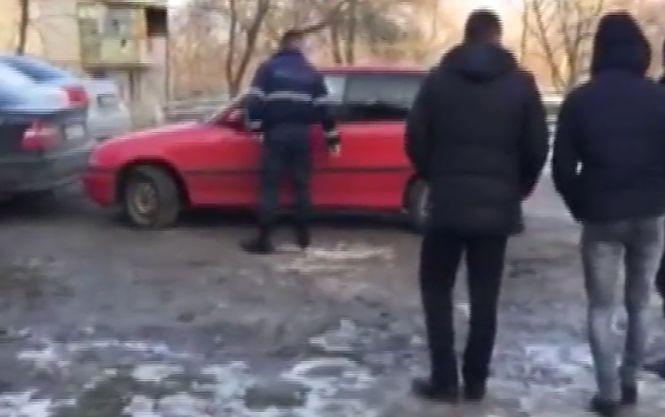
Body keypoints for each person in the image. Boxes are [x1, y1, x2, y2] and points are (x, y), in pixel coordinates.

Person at [406, 10, 548, 403]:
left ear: (466, 36)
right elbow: (537, 147)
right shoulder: (521, 84)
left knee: (436, 289)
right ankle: (476, 381)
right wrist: (516, 188)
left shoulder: (438, 81)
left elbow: (414, 137)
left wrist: (435, 176)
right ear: (497, 37)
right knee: (485, 296)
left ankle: (444, 380)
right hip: (496, 209)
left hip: (447, 204)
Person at [552, 13, 665, 417]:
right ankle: (630, 380)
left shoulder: (581, 100)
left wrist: (581, 206)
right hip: (650, 214)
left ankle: (609, 393)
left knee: (601, 307)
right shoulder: (658, 98)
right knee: (640, 303)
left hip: (601, 215)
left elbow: (563, 169)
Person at [241, 29, 340, 254]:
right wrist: (332, 138)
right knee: (302, 186)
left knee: (270, 187)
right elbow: (324, 108)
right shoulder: (311, 73)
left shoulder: (268, 69)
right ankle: (303, 238)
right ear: (300, 46)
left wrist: (256, 129)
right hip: (302, 135)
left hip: (276, 134)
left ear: (282, 45)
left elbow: (254, 102)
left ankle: (264, 240)